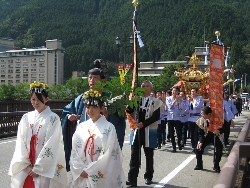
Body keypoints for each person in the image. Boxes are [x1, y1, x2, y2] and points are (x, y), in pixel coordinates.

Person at [61, 60, 126, 171]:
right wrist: (69, 117)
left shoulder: (110, 97)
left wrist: (106, 113)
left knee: (101, 169)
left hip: (102, 138)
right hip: (85, 138)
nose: (92, 81)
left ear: (102, 80)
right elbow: (67, 110)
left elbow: (119, 120)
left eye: (95, 78)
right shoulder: (83, 97)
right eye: (90, 78)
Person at [9, 81, 67, 188]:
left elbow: (52, 145)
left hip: (44, 169)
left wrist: (39, 168)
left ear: (46, 99)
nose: (36, 103)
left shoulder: (53, 118)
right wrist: (26, 165)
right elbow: (20, 143)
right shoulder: (26, 117)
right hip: (27, 166)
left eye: (39, 99)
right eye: (33, 99)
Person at [69, 89, 126, 188]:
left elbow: (110, 154)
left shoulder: (109, 127)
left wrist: (91, 171)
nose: (90, 110)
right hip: (81, 173)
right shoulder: (81, 126)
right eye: (87, 107)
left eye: (94, 107)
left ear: (101, 108)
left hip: (99, 174)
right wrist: (80, 169)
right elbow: (74, 150)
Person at [126, 81, 163, 187]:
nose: (145, 88)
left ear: (151, 89)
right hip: (137, 131)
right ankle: (132, 179)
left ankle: (148, 176)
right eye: (143, 86)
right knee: (134, 156)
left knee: (149, 155)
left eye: (147, 86)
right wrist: (131, 101)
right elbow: (129, 110)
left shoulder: (156, 102)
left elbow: (156, 116)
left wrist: (144, 123)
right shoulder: (137, 100)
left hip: (149, 130)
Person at [194, 106, 224, 172]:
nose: (202, 115)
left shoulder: (218, 118)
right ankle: (199, 165)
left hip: (216, 135)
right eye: (201, 114)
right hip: (206, 135)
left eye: (203, 114)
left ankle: (216, 166)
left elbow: (225, 127)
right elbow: (200, 133)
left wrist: (219, 130)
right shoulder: (201, 120)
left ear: (209, 114)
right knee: (198, 148)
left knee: (219, 150)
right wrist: (201, 142)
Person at [166, 87, 183, 152]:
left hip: (177, 117)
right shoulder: (168, 98)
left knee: (179, 132)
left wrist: (179, 101)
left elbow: (181, 108)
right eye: (173, 90)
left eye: (175, 91)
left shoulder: (180, 99)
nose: (174, 92)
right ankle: (174, 147)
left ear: (178, 92)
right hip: (170, 117)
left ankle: (179, 142)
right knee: (171, 133)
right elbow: (170, 106)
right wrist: (176, 100)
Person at [188, 88, 204, 153]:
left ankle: (196, 147)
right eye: (191, 92)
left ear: (197, 92)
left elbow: (196, 107)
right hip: (191, 118)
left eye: (194, 91)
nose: (192, 93)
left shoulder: (199, 98)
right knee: (191, 134)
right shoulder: (189, 99)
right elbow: (188, 108)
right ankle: (193, 147)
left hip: (197, 118)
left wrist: (191, 101)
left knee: (196, 134)